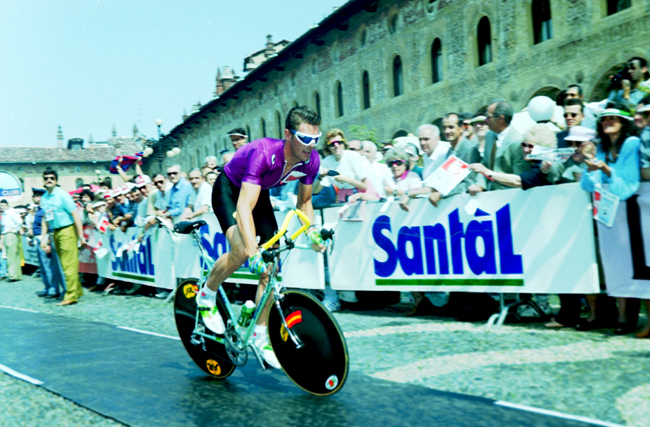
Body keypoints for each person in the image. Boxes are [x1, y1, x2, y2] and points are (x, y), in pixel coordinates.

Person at [196, 106, 325, 369]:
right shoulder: (264, 152)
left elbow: (305, 202)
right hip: (230, 190)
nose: (310, 146)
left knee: (271, 267)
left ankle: (260, 333)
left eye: (316, 139)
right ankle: (206, 295)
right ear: (288, 134)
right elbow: (243, 207)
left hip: (259, 193)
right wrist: (252, 251)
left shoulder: (311, 161)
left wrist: (311, 230)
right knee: (243, 251)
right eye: (304, 139)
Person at [578, 104, 642, 335]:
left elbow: (628, 184)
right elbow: (587, 184)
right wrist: (590, 165)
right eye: (604, 119)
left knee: (631, 265)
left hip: (632, 211)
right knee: (614, 264)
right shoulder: (602, 148)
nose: (608, 122)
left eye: (614, 118)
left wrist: (605, 169)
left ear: (624, 122)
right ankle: (621, 316)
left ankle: (630, 318)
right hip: (608, 214)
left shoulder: (632, 144)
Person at [40, 167, 87, 306]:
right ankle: (77, 291)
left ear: (56, 180)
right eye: (46, 178)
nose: (49, 180)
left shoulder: (63, 195)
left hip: (66, 230)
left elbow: (75, 214)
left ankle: (71, 296)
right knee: (64, 264)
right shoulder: (44, 198)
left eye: (52, 178)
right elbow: (45, 218)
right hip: (55, 232)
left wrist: (80, 236)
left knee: (69, 265)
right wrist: (44, 237)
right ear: (43, 180)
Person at [470, 124, 556, 190]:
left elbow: (518, 181)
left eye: (530, 146)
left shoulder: (548, 163)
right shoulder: (531, 162)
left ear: (542, 147)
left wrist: (487, 171)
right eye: (523, 145)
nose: (525, 150)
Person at [470, 99, 526, 194]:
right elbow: (485, 165)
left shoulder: (518, 142)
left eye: (488, 117)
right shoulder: (489, 136)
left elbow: (519, 178)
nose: (486, 120)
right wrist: (479, 185)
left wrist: (489, 173)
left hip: (510, 197)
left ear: (501, 119)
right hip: (490, 196)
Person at [315, 129, 378, 202]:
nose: (336, 146)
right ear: (328, 147)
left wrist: (345, 179)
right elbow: (316, 191)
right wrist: (320, 177)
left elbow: (364, 186)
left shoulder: (353, 156)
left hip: (361, 194)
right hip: (343, 196)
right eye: (332, 144)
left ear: (344, 143)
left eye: (339, 142)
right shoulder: (326, 162)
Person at [31, 188, 65, 298]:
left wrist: (49, 241)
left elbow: (49, 224)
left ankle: (53, 289)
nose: (35, 198)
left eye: (37, 195)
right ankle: (47, 287)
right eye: (34, 196)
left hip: (44, 238)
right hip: (38, 238)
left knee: (49, 266)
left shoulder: (46, 210)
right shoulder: (39, 209)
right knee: (43, 266)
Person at [1, 204, 26, 282]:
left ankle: (12, 275)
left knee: (11, 255)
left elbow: (19, 221)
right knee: (13, 255)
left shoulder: (10, 213)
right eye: (1, 205)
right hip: (8, 234)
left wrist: (15, 229)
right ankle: (16, 275)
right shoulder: (5, 214)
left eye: (3, 205)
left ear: (7, 205)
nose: (2, 207)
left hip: (10, 234)